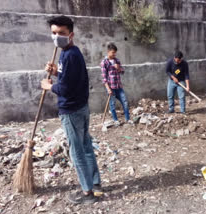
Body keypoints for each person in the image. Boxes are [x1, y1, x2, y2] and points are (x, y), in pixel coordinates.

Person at [41, 15, 102, 204]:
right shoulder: (70, 52)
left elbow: (66, 89)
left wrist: (49, 86)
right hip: (81, 108)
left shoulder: (69, 55)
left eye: (61, 33)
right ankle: (95, 183)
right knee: (85, 147)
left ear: (71, 34)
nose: (56, 37)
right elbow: (71, 78)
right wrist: (56, 73)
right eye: (53, 33)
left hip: (71, 111)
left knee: (77, 152)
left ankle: (87, 193)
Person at [101, 43, 133, 126]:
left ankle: (127, 119)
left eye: (115, 53)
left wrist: (118, 68)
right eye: (113, 52)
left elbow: (122, 71)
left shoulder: (117, 61)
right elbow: (104, 78)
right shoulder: (104, 62)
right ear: (108, 52)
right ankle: (116, 120)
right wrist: (108, 89)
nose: (114, 54)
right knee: (112, 104)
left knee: (125, 102)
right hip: (111, 87)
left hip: (119, 86)